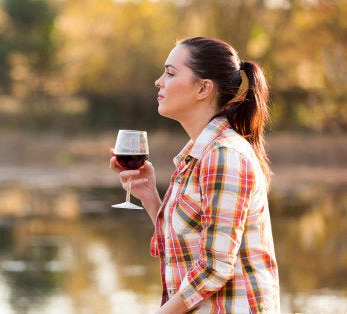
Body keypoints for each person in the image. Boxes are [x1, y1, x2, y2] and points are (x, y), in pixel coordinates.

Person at [109, 37, 280, 313]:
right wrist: (150, 197)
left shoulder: (223, 155)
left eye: (170, 73)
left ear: (203, 88)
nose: (158, 81)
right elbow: (187, 247)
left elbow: (214, 267)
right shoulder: (198, 155)